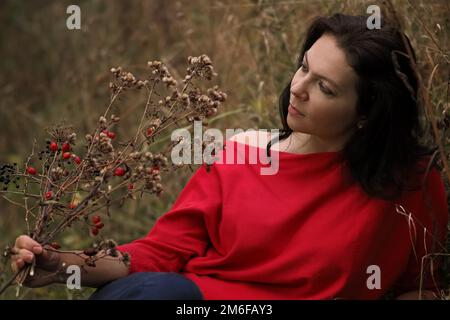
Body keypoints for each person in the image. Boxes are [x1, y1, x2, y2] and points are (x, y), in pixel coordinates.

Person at [10, 13, 448, 300]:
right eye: (303, 68)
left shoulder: (408, 181)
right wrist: (64, 266)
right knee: (141, 295)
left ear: (368, 113)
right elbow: (163, 252)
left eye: (325, 88)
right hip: (208, 305)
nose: (297, 87)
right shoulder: (241, 153)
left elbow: (419, 288)